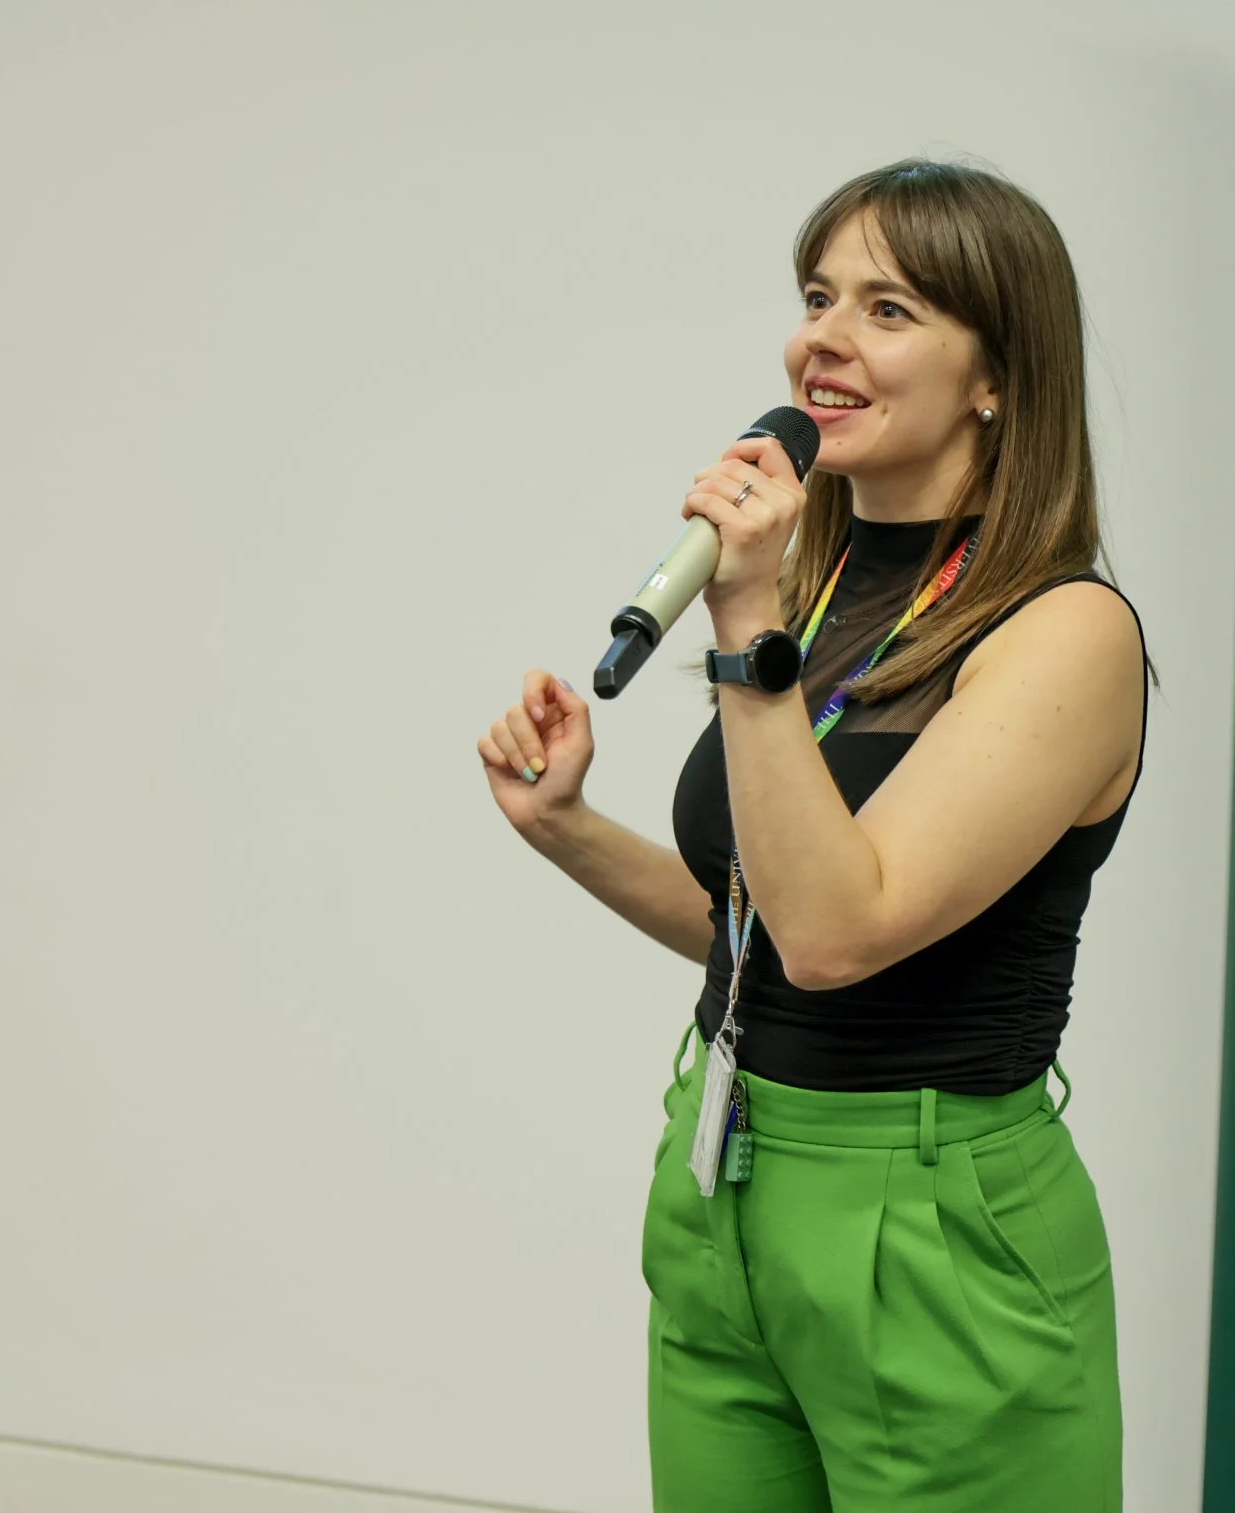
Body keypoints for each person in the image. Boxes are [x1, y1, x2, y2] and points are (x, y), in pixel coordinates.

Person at [476, 159, 1146, 1512]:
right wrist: (567, 831)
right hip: (726, 1180)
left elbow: (843, 937)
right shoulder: (825, 586)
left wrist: (745, 621)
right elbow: (764, 921)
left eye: (888, 308)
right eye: (817, 294)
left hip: (933, 1224)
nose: (822, 339)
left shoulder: (1065, 630)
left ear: (997, 376)